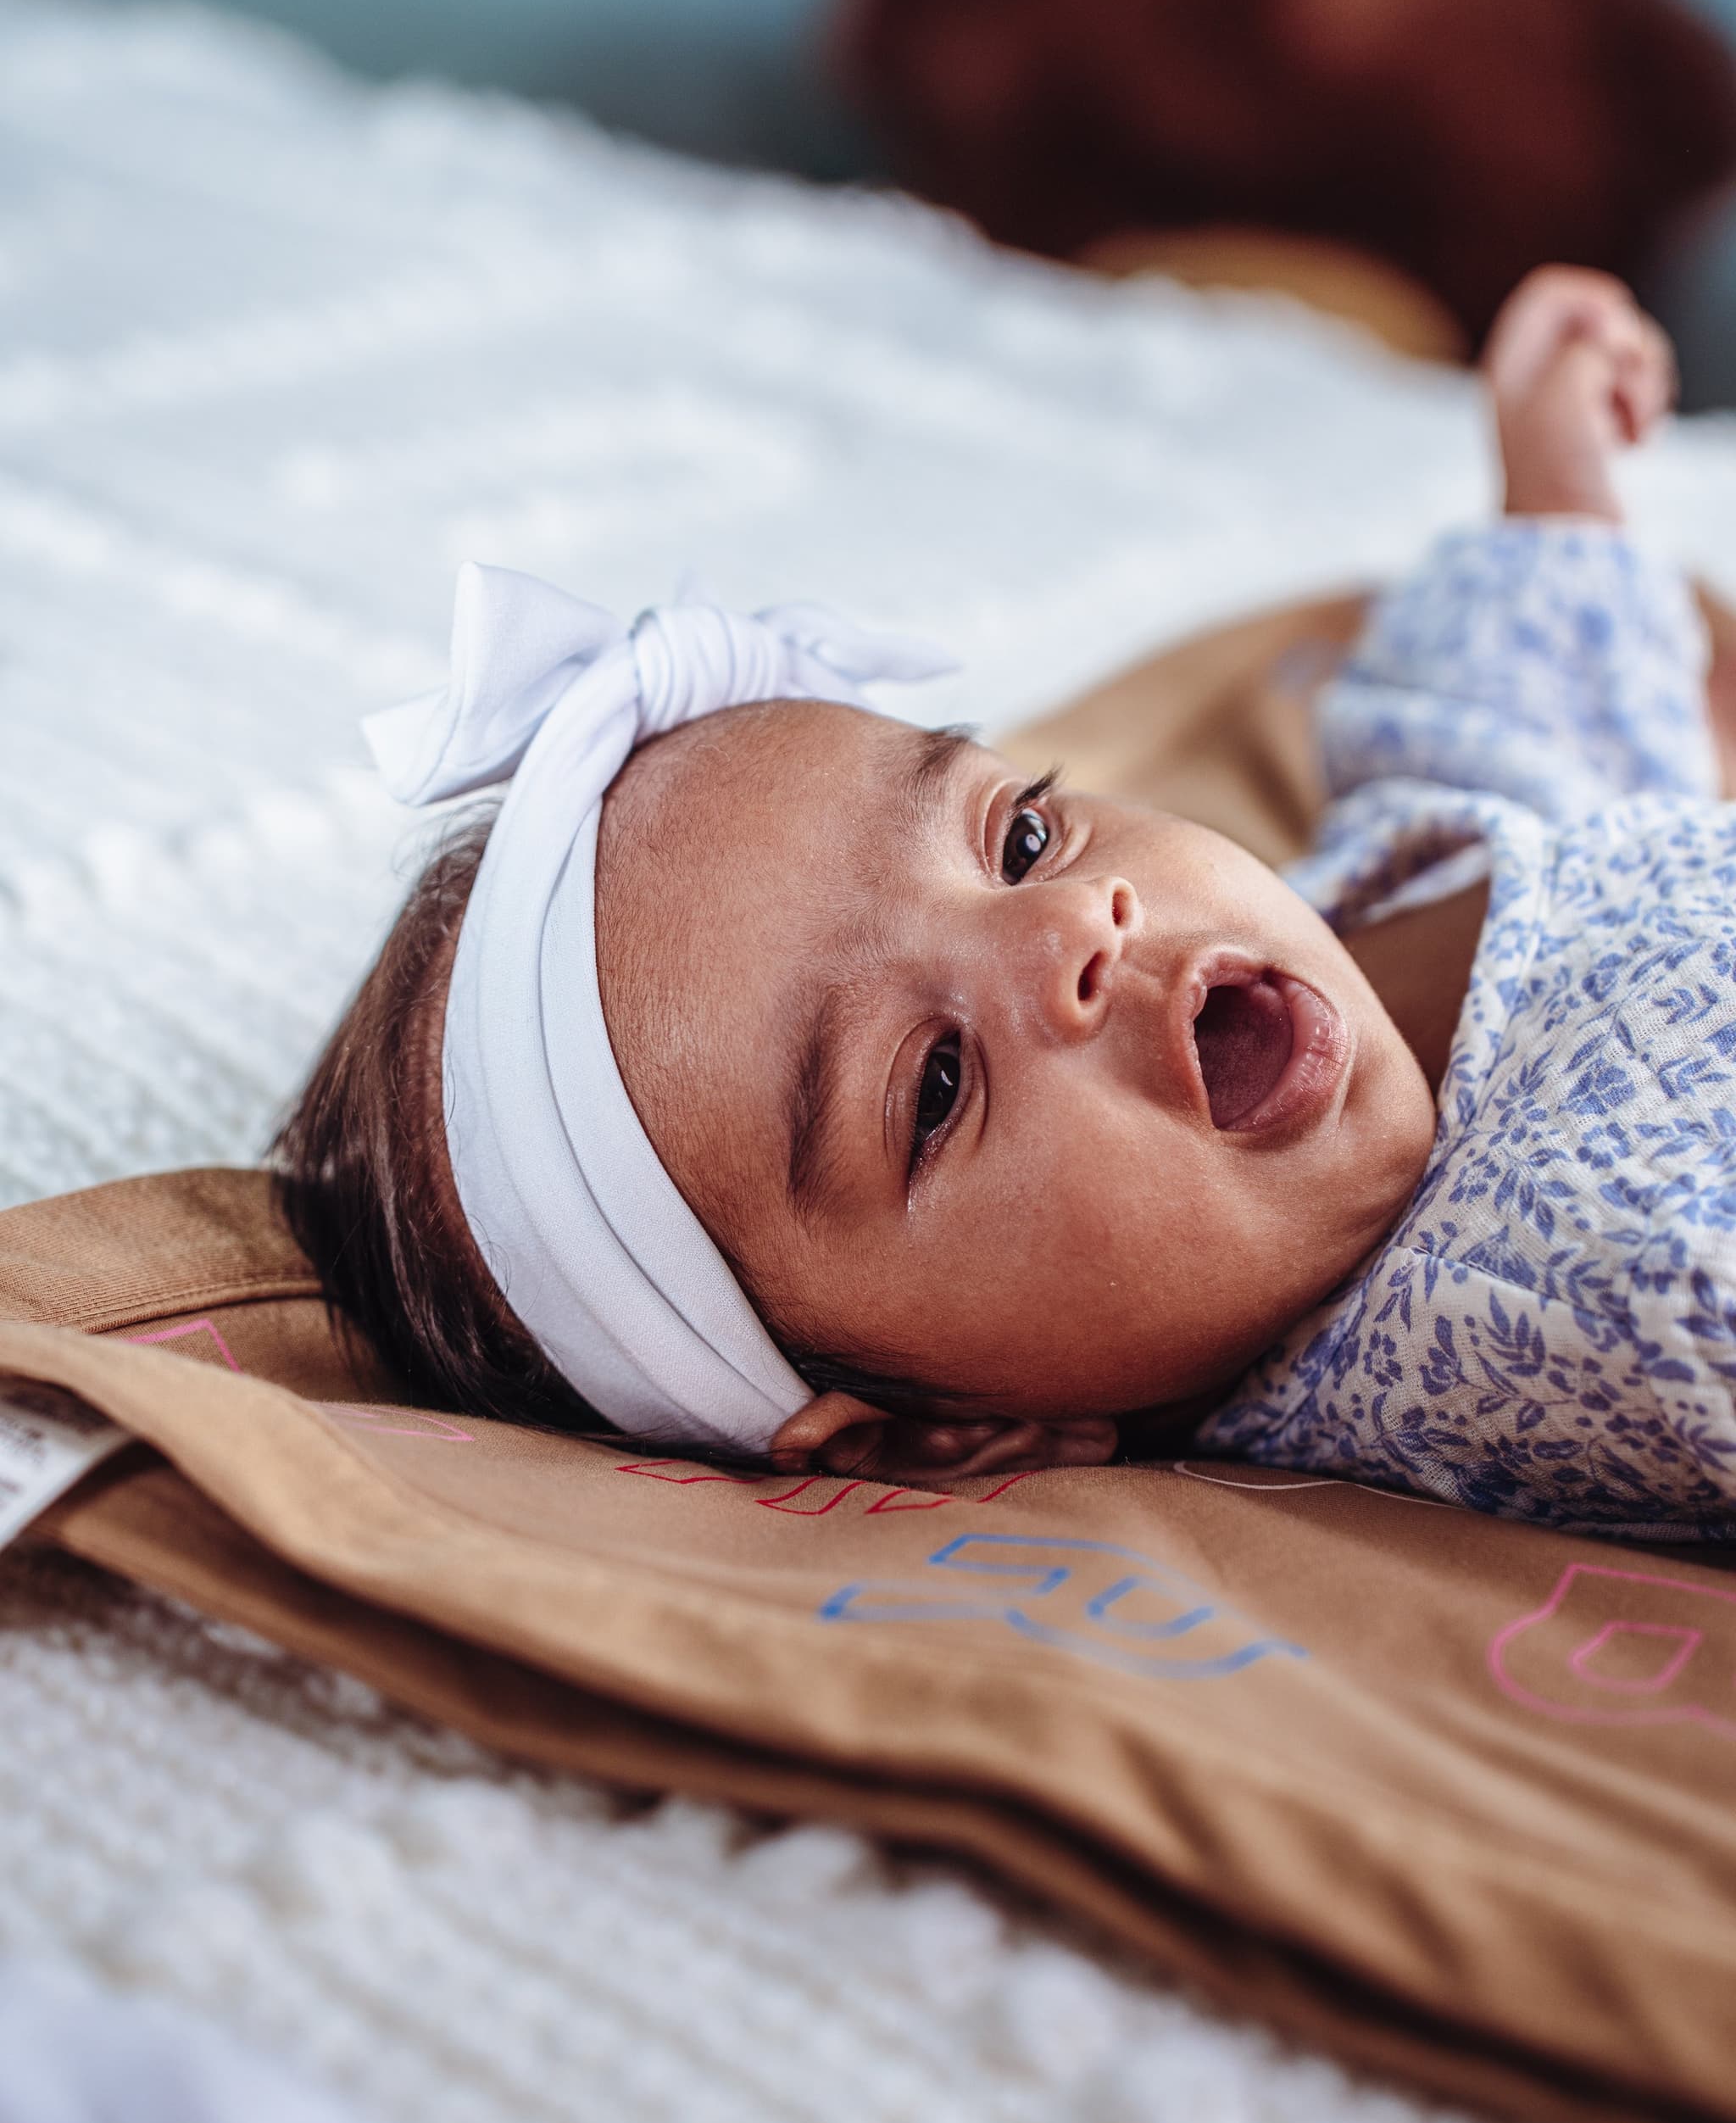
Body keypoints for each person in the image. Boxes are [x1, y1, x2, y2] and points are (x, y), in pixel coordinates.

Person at [278, 267, 1736, 1536]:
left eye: (1023, 838)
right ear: (952, 1438)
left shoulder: (1372, 890)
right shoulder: (1579, 1312)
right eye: (934, 1087)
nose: (1075, 928)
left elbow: (1507, 753)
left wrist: (1555, 496)